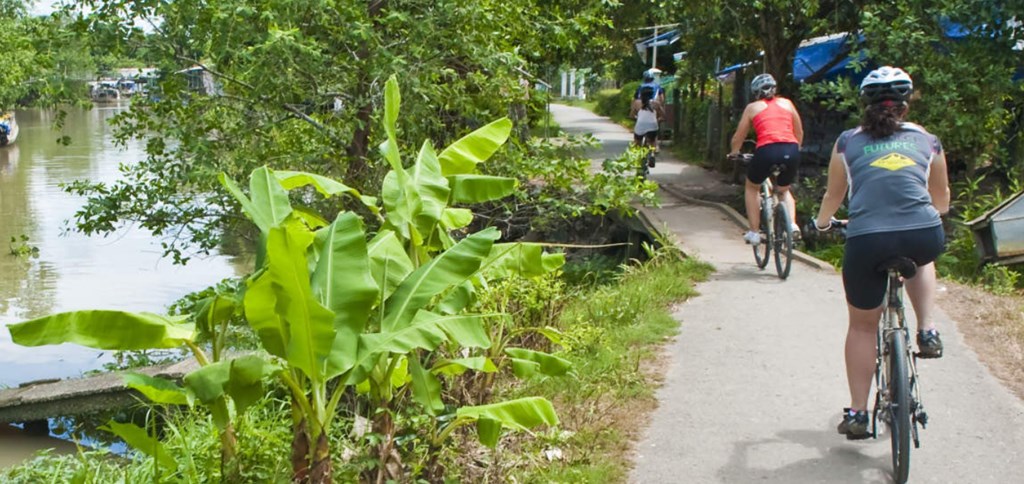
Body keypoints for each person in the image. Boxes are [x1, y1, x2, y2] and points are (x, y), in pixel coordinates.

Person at [813, 66, 950, 440]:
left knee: (861, 326)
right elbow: (942, 200)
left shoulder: (847, 142)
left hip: (866, 238)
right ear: (905, 106)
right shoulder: (928, 140)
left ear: (865, 104)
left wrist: (823, 224)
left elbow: (834, 196)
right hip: (921, 231)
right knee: (923, 255)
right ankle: (927, 329)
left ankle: (858, 413)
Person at [729, 73, 804, 245]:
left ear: (755, 92)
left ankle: (754, 233)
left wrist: (734, 153)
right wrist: (795, 150)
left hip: (766, 150)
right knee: (784, 190)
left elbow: (738, 137)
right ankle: (792, 225)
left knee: (752, 187)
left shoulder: (752, 108)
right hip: (791, 149)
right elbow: (799, 132)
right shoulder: (787, 103)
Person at [630, 85, 663, 167]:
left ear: (640, 95)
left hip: (640, 125)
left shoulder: (636, 103)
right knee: (653, 140)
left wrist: (636, 118)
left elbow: (631, 115)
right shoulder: (656, 103)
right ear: (652, 94)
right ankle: (652, 153)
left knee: (637, 142)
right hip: (652, 126)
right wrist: (658, 119)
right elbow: (662, 115)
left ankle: (637, 158)